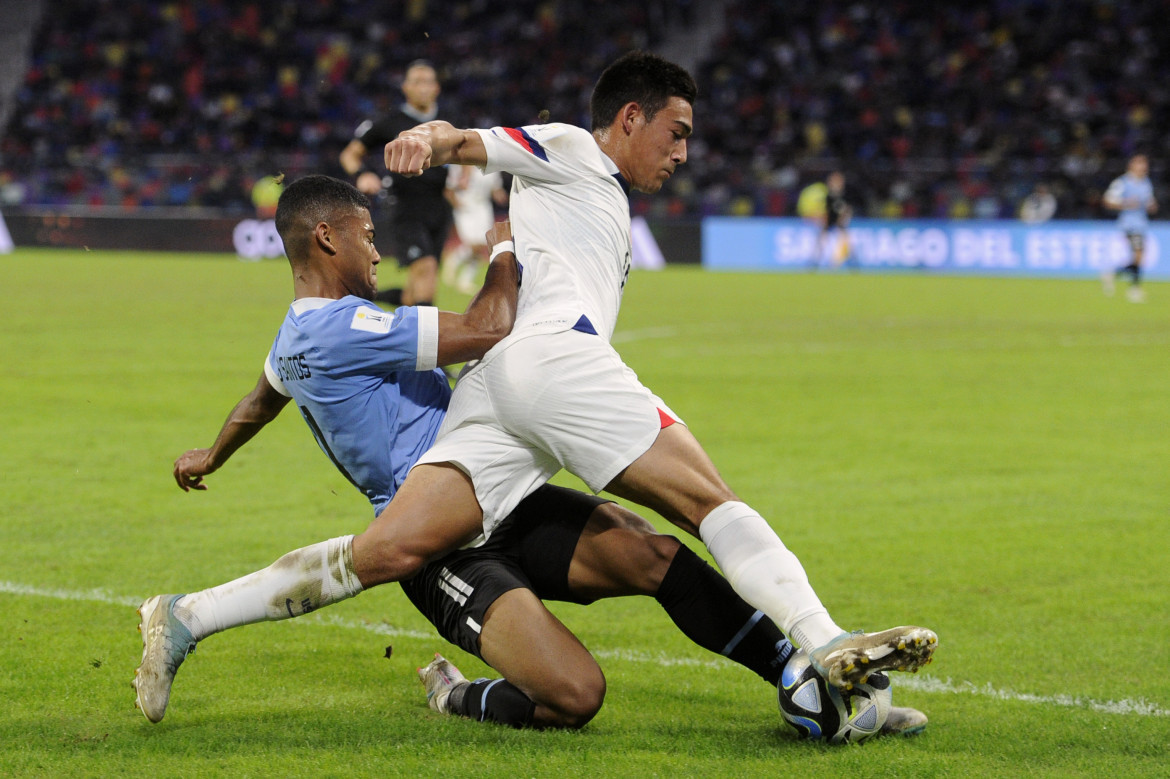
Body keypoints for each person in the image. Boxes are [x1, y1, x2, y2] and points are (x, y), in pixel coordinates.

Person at [136, 52, 936, 724]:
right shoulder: (573, 147)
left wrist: (214, 449)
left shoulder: (588, 197)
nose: (683, 151)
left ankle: (192, 616)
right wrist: (433, 143)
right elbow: (473, 142)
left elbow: (264, 394)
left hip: (495, 396)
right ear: (630, 117)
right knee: (705, 501)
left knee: (421, 551)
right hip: (552, 360)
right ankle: (823, 640)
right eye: (677, 132)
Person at [339, 60, 452, 308]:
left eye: (428, 82)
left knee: (422, 281)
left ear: (437, 88)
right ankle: (425, 341)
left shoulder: (449, 123)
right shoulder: (389, 122)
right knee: (426, 267)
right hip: (405, 206)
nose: (423, 87)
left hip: (440, 207)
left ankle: (365, 298)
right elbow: (349, 155)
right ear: (405, 88)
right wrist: (362, 174)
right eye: (417, 82)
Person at [442, 165, 509, 294]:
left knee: (483, 245)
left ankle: (465, 280)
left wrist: (502, 196)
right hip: (466, 206)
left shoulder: (491, 167)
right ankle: (455, 259)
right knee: (474, 244)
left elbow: (495, 188)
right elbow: (448, 189)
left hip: (483, 207)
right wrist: (457, 203)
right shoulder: (460, 165)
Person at [1101, 154, 1157, 302]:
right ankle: (1134, 289)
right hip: (1129, 224)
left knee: (1138, 258)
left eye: (1144, 164)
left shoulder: (1146, 183)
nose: (1143, 167)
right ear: (1132, 165)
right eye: (1140, 164)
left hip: (1142, 224)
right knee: (1139, 254)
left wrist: (1152, 206)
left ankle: (1114, 273)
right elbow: (1107, 200)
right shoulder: (1122, 182)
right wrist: (1125, 204)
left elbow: (1150, 202)